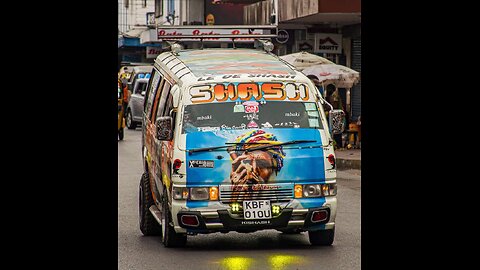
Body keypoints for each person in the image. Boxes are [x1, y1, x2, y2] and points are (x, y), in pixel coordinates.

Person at [228, 130, 285, 195]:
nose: (254, 170)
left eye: (262, 164)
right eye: (248, 163)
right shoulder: (223, 190)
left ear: (273, 169)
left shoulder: (289, 203)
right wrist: (234, 195)